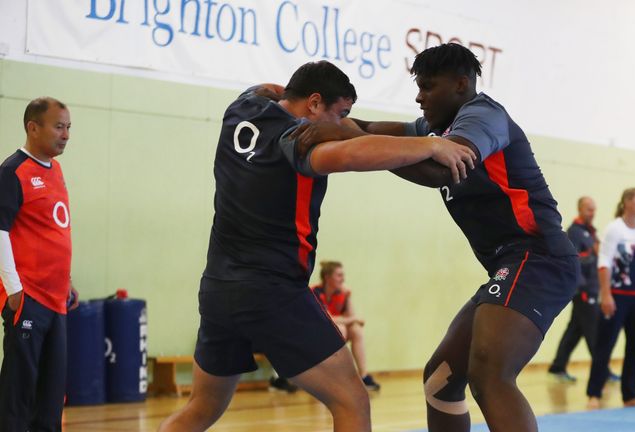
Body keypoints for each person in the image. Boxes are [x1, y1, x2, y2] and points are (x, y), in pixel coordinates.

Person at [158, 61, 476, 432]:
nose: (342, 125)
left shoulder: (242, 108)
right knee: (352, 401)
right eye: (340, 114)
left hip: (218, 289)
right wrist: (430, 144)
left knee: (202, 408)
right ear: (313, 103)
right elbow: (352, 154)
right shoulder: (298, 140)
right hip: (273, 292)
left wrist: (289, 94)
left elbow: (268, 88)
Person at [291, 43, 579, 432]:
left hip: (538, 258)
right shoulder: (437, 128)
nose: (418, 96)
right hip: (508, 265)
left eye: (427, 87)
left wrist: (359, 148)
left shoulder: (482, 117)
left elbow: (444, 170)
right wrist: (318, 115)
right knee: (440, 381)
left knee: (490, 374)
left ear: (461, 84)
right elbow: (379, 130)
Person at [0, 97, 79, 431]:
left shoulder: (56, 170)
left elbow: (53, 230)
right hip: (27, 299)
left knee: (51, 396)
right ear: (33, 127)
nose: (66, 135)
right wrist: (13, 288)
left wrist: (67, 279)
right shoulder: (12, 172)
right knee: (19, 394)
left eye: (68, 128)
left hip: (56, 300)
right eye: (59, 127)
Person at [586, 188, 635, 409]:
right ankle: (594, 393)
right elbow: (604, 262)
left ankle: (630, 395)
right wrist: (606, 294)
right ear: (627, 202)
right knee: (605, 345)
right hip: (617, 296)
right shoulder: (614, 229)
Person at [548, 197, 619, 383]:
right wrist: (593, 254)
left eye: (594, 209)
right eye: (589, 209)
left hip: (592, 288)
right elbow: (574, 261)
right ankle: (602, 371)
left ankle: (557, 367)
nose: (592, 213)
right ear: (580, 209)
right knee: (595, 332)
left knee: (574, 331)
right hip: (585, 290)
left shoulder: (591, 232)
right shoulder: (575, 232)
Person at [311, 261, 380, 391]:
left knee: (356, 330)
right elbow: (328, 318)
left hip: (333, 334)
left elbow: (353, 320)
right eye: (339, 275)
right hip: (313, 337)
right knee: (340, 328)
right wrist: (352, 319)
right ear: (327, 277)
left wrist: (348, 297)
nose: (343, 279)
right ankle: (334, 377)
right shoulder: (315, 292)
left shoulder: (341, 294)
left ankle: (364, 377)